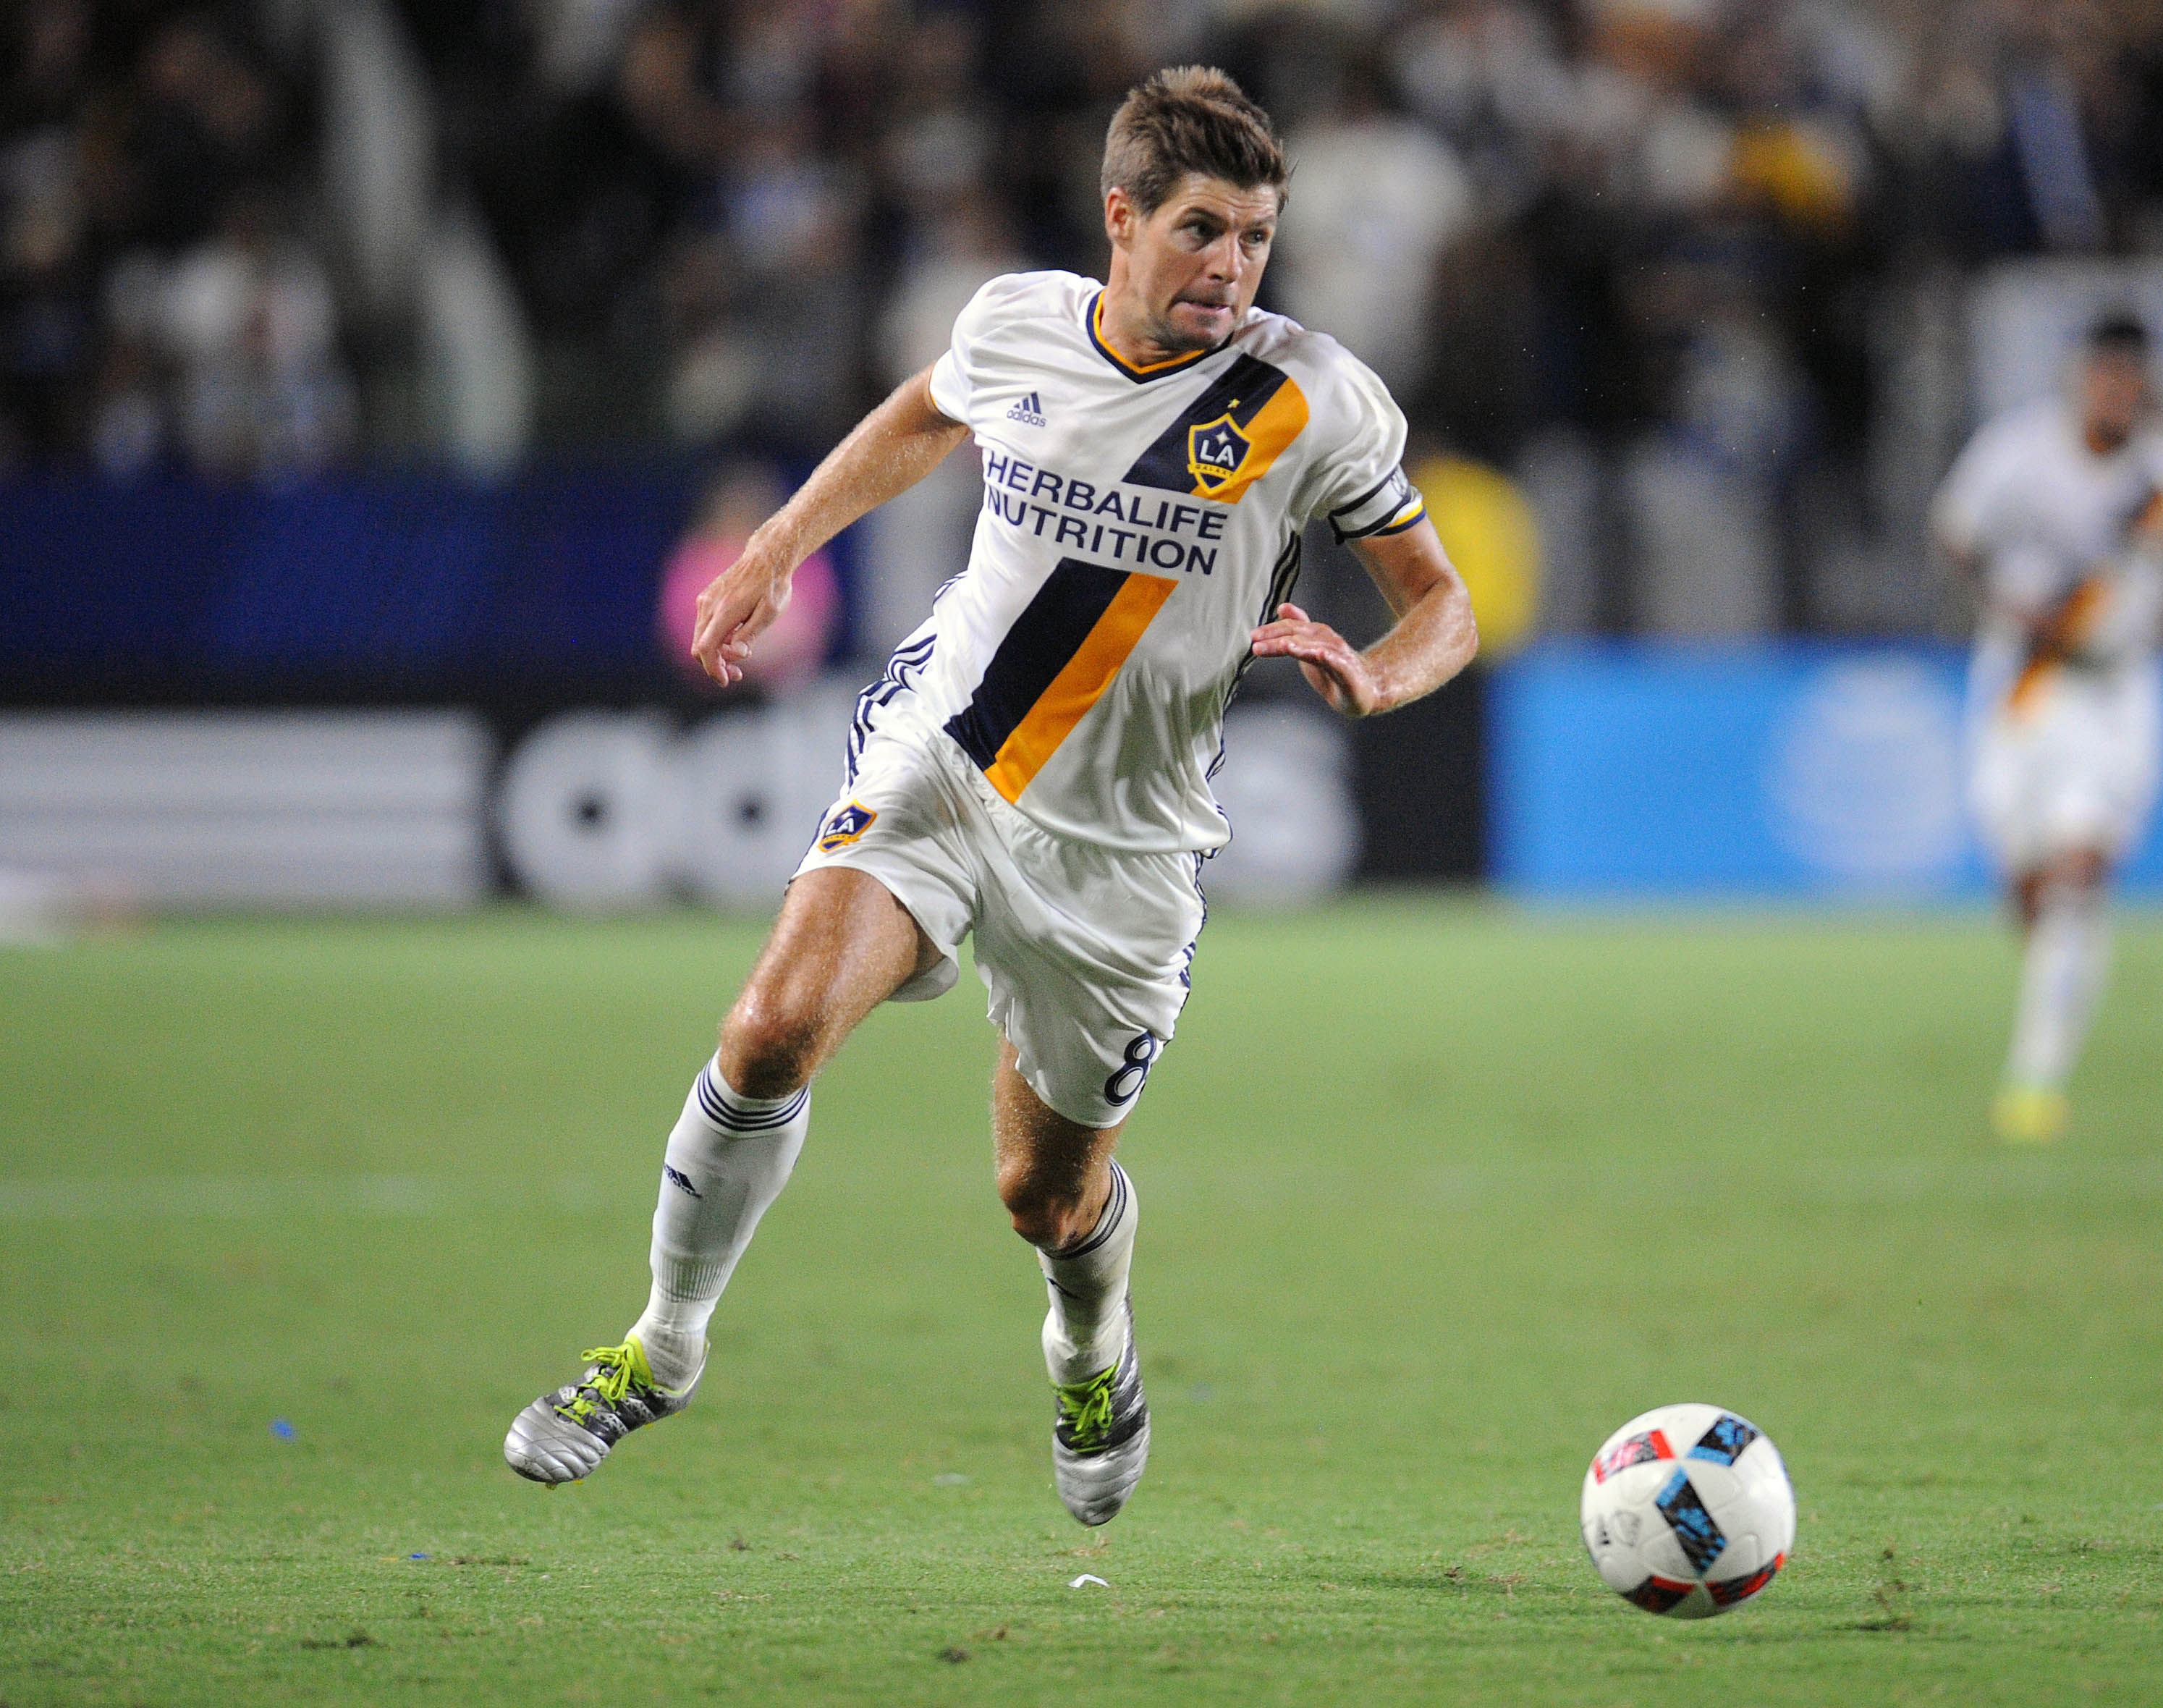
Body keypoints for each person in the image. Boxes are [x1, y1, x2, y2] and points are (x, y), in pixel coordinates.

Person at [502, 67, 1478, 1525]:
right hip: (948, 759)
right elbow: (918, 414)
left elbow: (1442, 605)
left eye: (1256, 238)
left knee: (1045, 1198)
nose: (1230, 267)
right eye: (1202, 229)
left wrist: (1379, 673)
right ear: (1121, 219)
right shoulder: (1012, 319)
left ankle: (1092, 1350)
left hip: (1122, 855)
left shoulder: (1312, 400)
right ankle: (661, 1342)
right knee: (768, 1031)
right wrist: (774, 545)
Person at [1931, 312, 2163, 1145]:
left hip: (2114, 695)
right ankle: (2052, 989)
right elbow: (1954, 536)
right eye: (2103, 377)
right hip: (2021, 683)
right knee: (2024, 883)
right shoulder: (2013, 453)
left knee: (2077, 866)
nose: (2116, 395)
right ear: (2077, 379)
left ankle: (2032, 1080)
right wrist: (2003, 604)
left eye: (2131, 381)